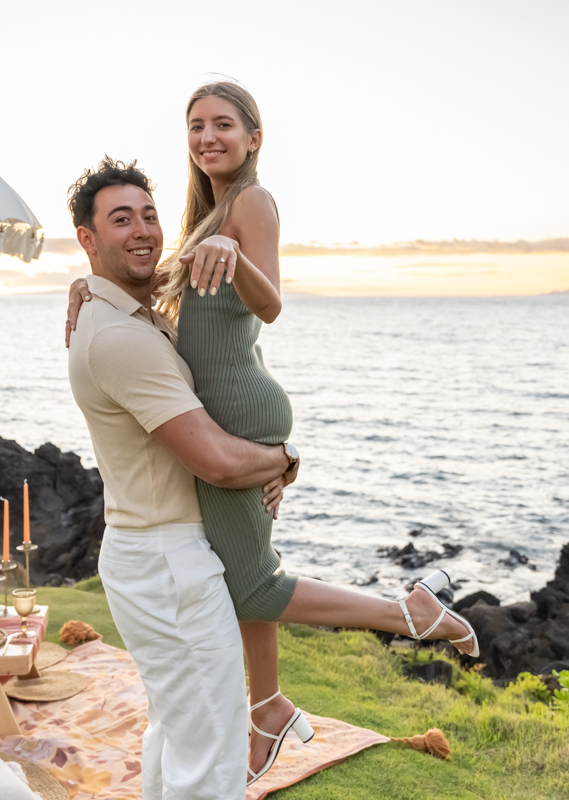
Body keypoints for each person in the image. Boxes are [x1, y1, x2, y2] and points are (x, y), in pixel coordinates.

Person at [66, 82, 479, 786]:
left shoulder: (249, 204)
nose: (208, 137)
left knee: (251, 585)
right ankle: (271, 704)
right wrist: (86, 283)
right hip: (228, 408)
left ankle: (400, 615)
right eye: (195, 126)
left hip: (239, 410)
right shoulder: (209, 214)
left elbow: (272, 302)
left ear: (254, 136)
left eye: (223, 124)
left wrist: (237, 251)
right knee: (240, 579)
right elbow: (161, 279)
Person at [65, 157, 299, 800]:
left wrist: (84, 287)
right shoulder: (122, 339)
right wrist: (283, 460)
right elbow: (218, 462)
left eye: (149, 215)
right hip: (169, 562)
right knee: (215, 750)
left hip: (148, 555)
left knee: (178, 729)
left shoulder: (131, 320)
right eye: (120, 220)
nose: (142, 230)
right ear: (87, 238)